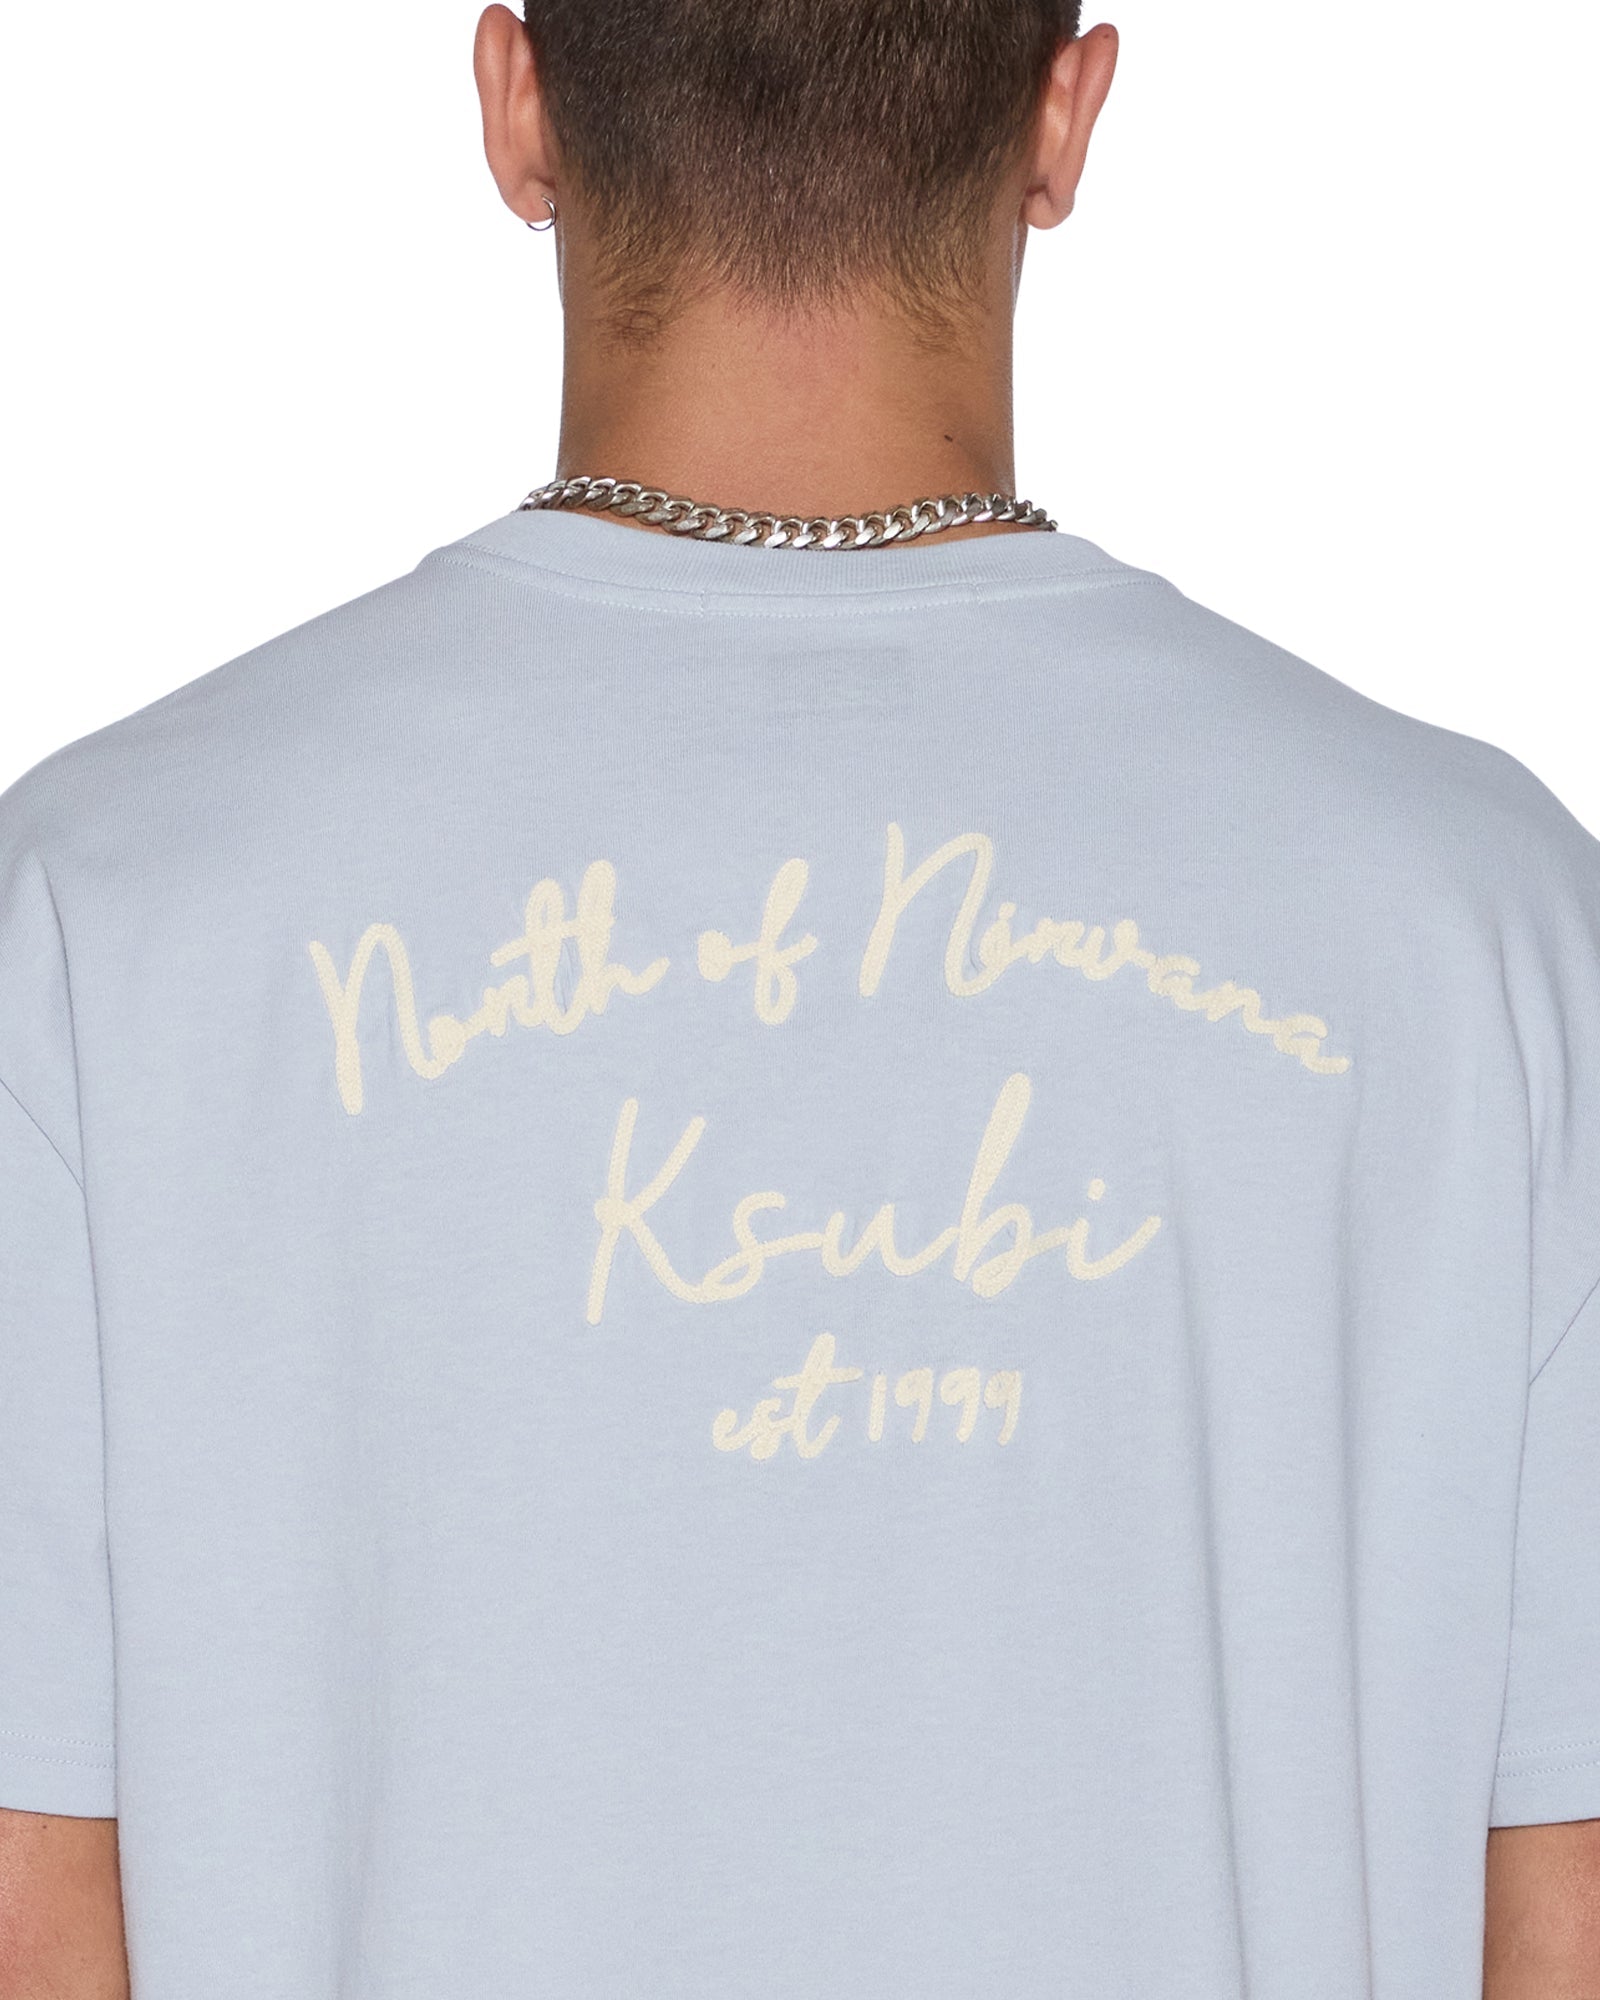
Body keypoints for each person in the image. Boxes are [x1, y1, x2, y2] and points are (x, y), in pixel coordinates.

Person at [1, 0, 1596, 1992]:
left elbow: (33, 1904)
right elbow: (1565, 1905)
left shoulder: (100, 910)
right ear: (1063, 115)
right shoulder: (1486, 924)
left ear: (514, 104)